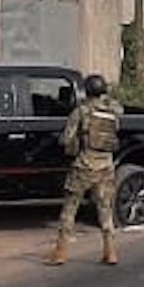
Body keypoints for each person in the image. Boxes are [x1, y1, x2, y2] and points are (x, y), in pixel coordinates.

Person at [47, 73, 124, 266]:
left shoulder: (81, 112)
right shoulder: (112, 112)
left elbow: (66, 138)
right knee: (105, 210)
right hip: (106, 166)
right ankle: (110, 252)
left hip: (84, 165)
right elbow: (117, 113)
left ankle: (60, 253)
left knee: (69, 209)